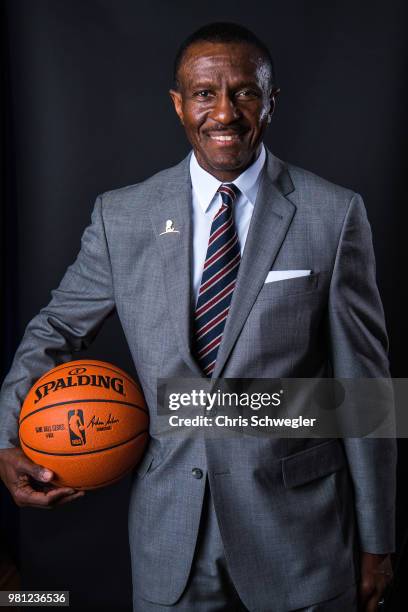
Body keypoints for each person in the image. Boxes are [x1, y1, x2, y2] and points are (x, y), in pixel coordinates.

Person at [0, 21, 396, 612]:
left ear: (271, 102)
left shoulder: (333, 215)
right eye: (206, 93)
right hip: (169, 534)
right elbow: (56, 329)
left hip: (302, 537)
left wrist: (377, 542)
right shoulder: (122, 216)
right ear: (178, 103)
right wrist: (8, 434)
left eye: (245, 92)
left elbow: (366, 393)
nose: (225, 113)